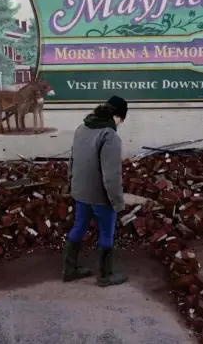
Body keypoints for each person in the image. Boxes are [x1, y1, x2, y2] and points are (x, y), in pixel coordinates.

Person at [62, 96, 128, 287]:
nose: (120, 124)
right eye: (121, 119)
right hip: (100, 196)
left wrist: (73, 185)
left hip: (80, 191)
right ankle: (105, 276)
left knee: (79, 226)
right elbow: (111, 176)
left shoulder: (82, 128)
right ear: (117, 116)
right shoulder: (109, 136)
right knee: (106, 233)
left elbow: (72, 161)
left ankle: (69, 270)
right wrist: (117, 201)